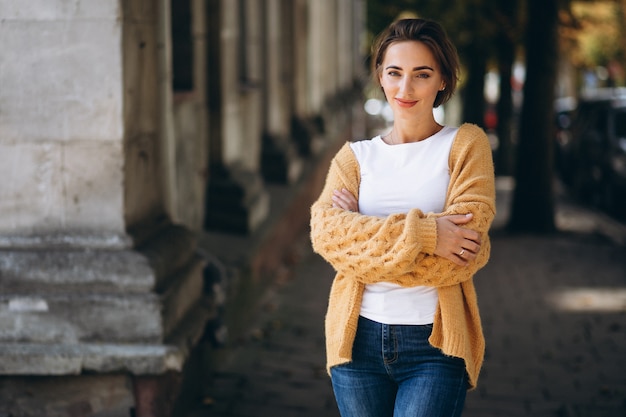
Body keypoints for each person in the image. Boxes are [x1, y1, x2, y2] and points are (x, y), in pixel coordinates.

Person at [310, 18, 496, 417]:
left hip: (434, 346)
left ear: (443, 80)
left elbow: (463, 253)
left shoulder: (466, 146)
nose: (405, 89)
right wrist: (429, 235)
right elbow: (326, 236)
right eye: (394, 73)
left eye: (421, 74)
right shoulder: (354, 157)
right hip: (355, 342)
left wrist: (362, 244)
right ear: (380, 76)